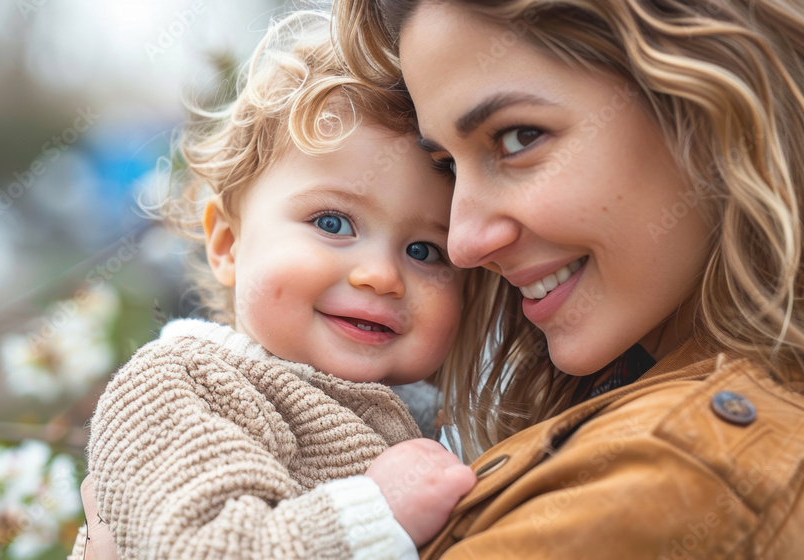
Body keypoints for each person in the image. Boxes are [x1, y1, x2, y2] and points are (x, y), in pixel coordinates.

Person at [324, 0, 804, 557]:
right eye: (449, 167)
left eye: (518, 138)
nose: (463, 243)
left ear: (708, 101)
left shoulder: (675, 474)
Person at [69, 10, 480, 560]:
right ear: (228, 244)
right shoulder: (181, 386)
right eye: (333, 223)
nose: (381, 276)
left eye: (425, 251)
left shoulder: (437, 414)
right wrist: (376, 513)